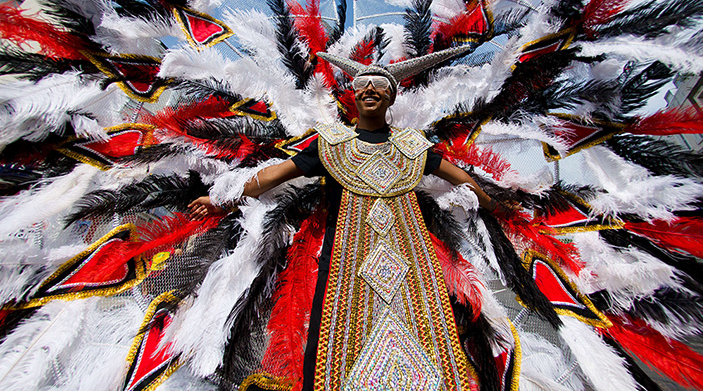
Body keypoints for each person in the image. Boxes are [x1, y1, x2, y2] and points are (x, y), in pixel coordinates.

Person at [188, 53, 507, 390]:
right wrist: (220, 199)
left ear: (391, 96)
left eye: (379, 85)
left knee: (428, 346)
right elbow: (273, 177)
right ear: (353, 95)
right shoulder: (330, 145)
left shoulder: (414, 147)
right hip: (344, 264)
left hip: (412, 264)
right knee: (333, 352)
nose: (370, 89)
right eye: (362, 85)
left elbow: (462, 180)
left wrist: (492, 204)